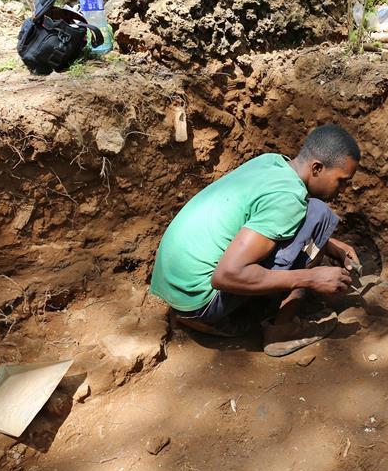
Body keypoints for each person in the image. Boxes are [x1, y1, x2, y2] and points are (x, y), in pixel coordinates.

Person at [150, 124, 361, 356]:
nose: (343, 189)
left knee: (312, 214)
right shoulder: (288, 200)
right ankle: (282, 329)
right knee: (319, 214)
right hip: (201, 300)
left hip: (176, 286)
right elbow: (226, 275)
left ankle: (215, 315)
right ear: (317, 168)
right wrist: (311, 277)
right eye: (341, 180)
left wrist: (329, 244)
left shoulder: (271, 162)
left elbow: (261, 217)